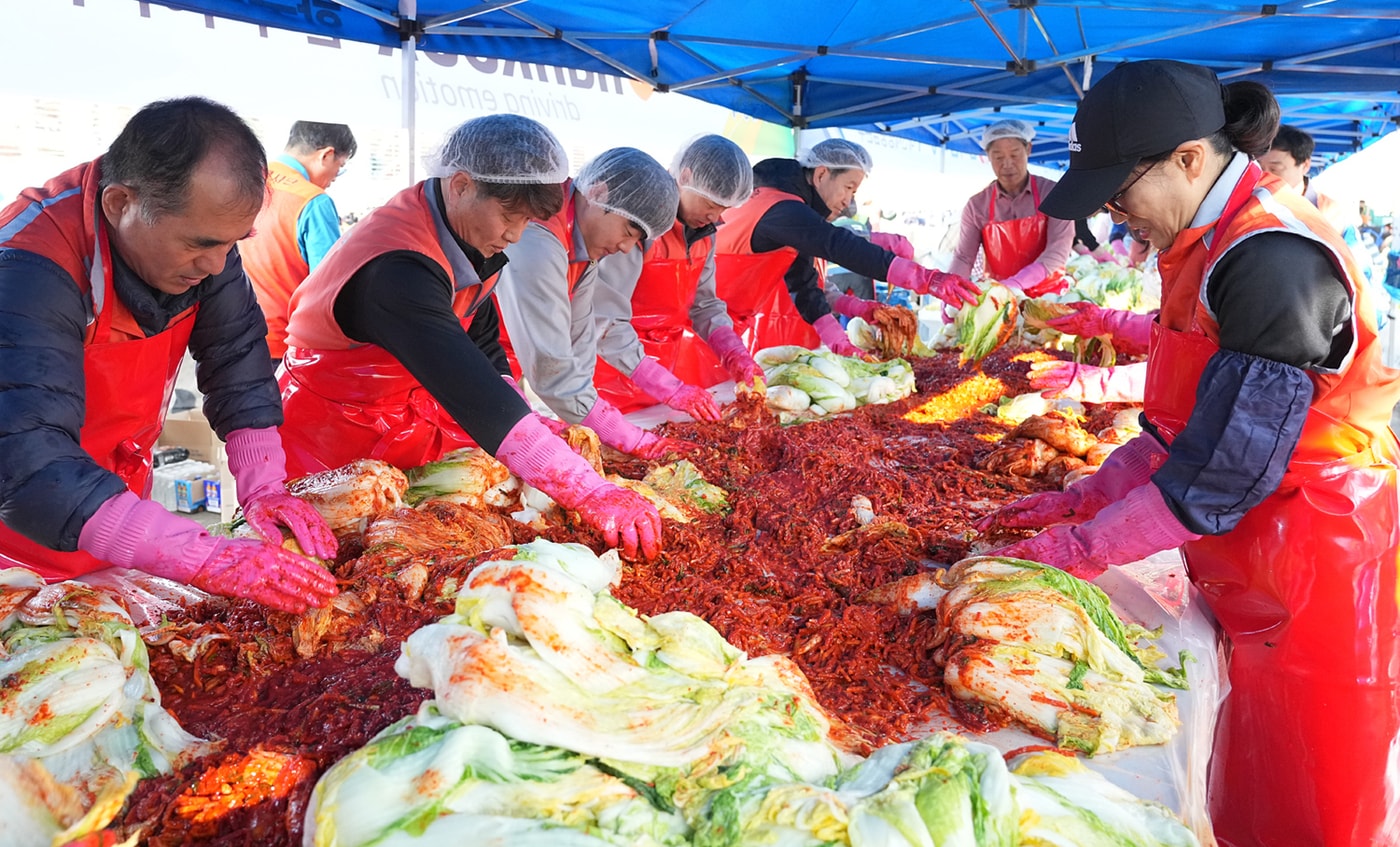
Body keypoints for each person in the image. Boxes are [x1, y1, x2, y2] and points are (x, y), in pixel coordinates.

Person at [981, 60, 1400, 846]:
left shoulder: (1271, 257)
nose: (1115, 212)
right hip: (1252, 545)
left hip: (1321, 552)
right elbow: (1185, 428)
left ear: (1188, 160)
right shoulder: (1206, 243)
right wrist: (1089, 492)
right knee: (1245, 780)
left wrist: (1088, 544)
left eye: (1120, 191)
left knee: (1314, 795)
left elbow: (1230, 461)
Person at [0, 97, 338, 614]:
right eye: (199, 244)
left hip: (114, 512)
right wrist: (201, 558)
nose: (217, 263)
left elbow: (238, 363)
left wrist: (265, 487)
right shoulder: (25, 269)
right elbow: (27, 458)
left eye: (234, 243)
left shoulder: (208, 247)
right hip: (17, 532)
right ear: (119, 205)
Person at [277, 117, 662, 560]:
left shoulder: (470, 240)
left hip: (396, 424)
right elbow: (470, 388)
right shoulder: (397, 267)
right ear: (461, 184)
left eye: (527, 222)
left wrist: (528, 418)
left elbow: (481, 344)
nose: (515, 236)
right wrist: (588, 491)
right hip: (324, 437)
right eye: (508, 217)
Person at [495, 147, 691, 460]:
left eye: (638, 241)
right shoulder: (539, 241)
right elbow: (551, 367)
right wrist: (626, 435)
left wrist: (582, 422)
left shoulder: (585, 249)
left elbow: (580, 335)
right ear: (598, 193)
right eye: (629, 231)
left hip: (502, 365)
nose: (627, 249)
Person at [714, 138, 978, 357]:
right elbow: (840, 245)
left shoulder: (788, 209)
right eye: (848, 188)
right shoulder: (781, 208)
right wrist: (925, 279)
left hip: (725, 331)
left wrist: (841, 339)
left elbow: (804, 285)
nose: (848, 200)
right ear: (821, 174)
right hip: (706, 333)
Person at [592, 135, 764, 420]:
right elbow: (604, 320)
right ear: (685, 177)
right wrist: (665, 386)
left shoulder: (704, 235)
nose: (715, 215)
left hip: (663, 372)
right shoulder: (639, 225)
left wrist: (734, 353)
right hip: (610, 375)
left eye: (724, 208)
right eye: (711, 202)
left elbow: (705, 305)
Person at [240, 121, 357, 366]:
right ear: (327, 154)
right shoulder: (313, 201)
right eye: (340, 167)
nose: (335, 177)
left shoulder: (245, 180)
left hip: (232, 337)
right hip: (284, 348)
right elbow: (329, 291)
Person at [948, 120, 1074, 295]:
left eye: (1015, 155)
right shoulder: (976, 205)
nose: (1007, 164)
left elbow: (1059, 248)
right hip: (1000, 299)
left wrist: (1017, 283)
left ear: (1028, 149)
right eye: (998, 157)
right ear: (988, 156)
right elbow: (964, 257)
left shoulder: (1054, 193)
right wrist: (951, 288)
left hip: (1048, 296)